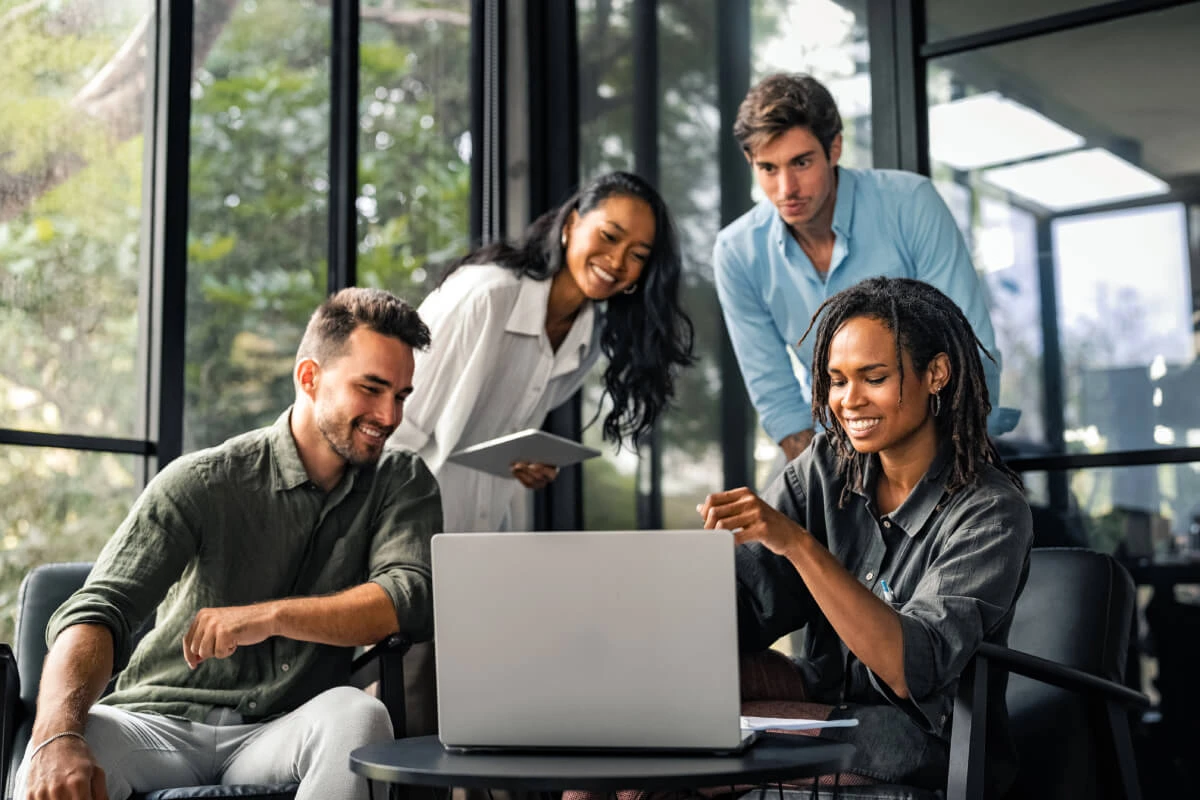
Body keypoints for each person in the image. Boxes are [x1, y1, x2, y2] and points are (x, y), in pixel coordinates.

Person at [16, 288, 442, 800]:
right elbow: (100, 607)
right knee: (58, 754)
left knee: (360, 715)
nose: (390, 415)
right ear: (309, 378)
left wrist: (268, 617)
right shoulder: (205, 480)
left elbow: (407, 599)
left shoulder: (400, 479)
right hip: (159, 724)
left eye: (400, 395)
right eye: (371, 389)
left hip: (282, 730)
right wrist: (56, 736)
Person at [698, 277, 1032, 792]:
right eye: (836, 380)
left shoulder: (990, 510)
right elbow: (745, 602)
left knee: (692, 744)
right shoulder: (827, 467)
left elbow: (909, 670)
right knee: (648, 705)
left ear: (936, 374)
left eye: (873, 378)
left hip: (923, 736)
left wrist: (798, 544)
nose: (848, 401)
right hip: (820, 700)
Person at [713, 73, 1004, 463]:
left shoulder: (910, 204)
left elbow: (968, 354)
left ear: (834, 149)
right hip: (833, 450)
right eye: (768, 168)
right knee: (764, 515)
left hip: (938, 439)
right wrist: (834, 492)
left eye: (801, 162)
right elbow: (778, 397)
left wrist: (919, 472)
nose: (787, 189)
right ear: (750, 162)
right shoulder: (737, 252)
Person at [388, 170, 695, 534]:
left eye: (637, 255)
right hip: (406, 534)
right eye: (609, 236)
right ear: (571, 224)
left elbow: (491, 436)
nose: (616, 261)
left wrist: (518, 460)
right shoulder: (483, 297)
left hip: (480, 537)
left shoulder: (588, 335)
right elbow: (396, 427)